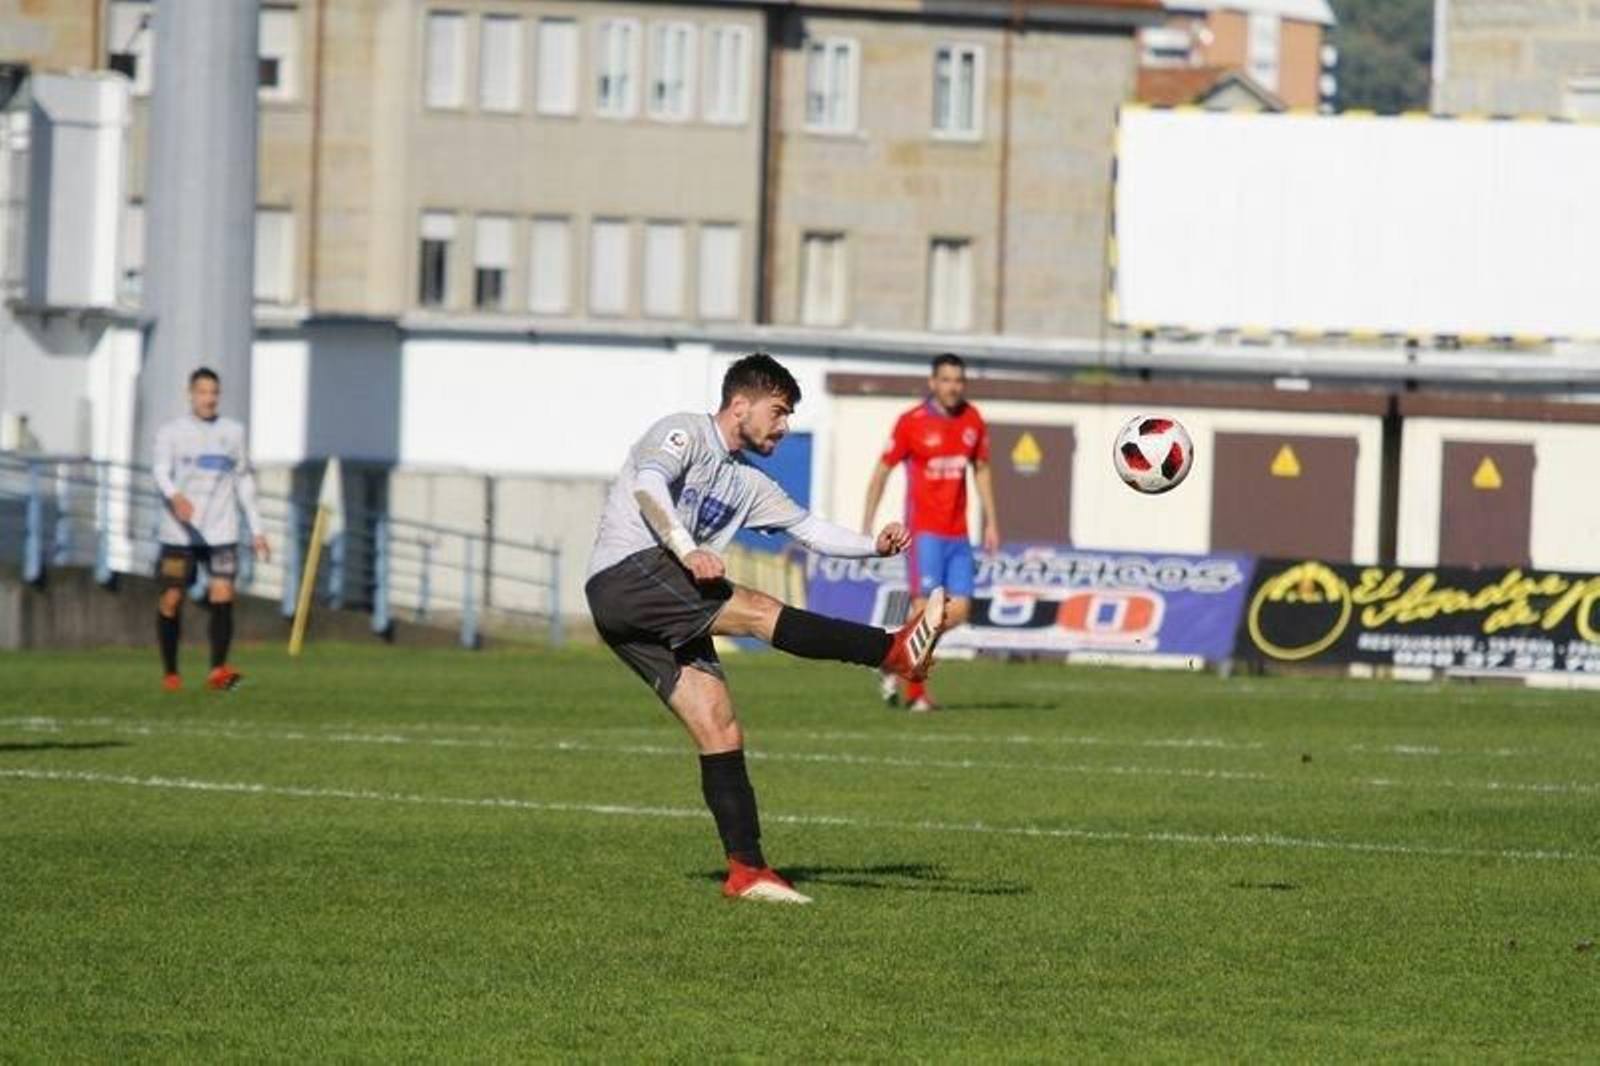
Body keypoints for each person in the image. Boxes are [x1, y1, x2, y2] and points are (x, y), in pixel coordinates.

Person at [585, 353, 947, 905]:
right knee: (756, 609)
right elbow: (649, 488)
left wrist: (872, 545)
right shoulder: (684, 432)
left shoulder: (750, 485)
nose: (784, 426)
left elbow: (809, 529)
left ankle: (747, 872)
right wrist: (689, 551)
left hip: (656, 602)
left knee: (720, 728)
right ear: (739, 405)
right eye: (777, 412)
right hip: (627, 577)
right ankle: (893, 651)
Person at [861, 353, 999, 712]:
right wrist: (867, 523)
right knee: (929, 615)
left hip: (959, 533)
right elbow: (882, 472)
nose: (953, 386)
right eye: (946, 379)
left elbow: (982, 470)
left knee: (961, 611)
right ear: (932, 382)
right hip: (924, 535)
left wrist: (992, 521)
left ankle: (891, 656)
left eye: (958, 380)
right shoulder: (911, 422)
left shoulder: (973, 419)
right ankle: (916, 694)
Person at [152, 367, 270, 691]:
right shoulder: (171, 432)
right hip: (180, 533)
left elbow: (244, 479)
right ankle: (171, 674)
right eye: (203, 392)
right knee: (172, 598)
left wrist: (257, 529)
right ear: (191, 394)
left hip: (221, 530)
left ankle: (217, 671)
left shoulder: (233, 432)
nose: (209, 399)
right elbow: (160, 471)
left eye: (214, 393)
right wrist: (175, 496)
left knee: (223, 592)